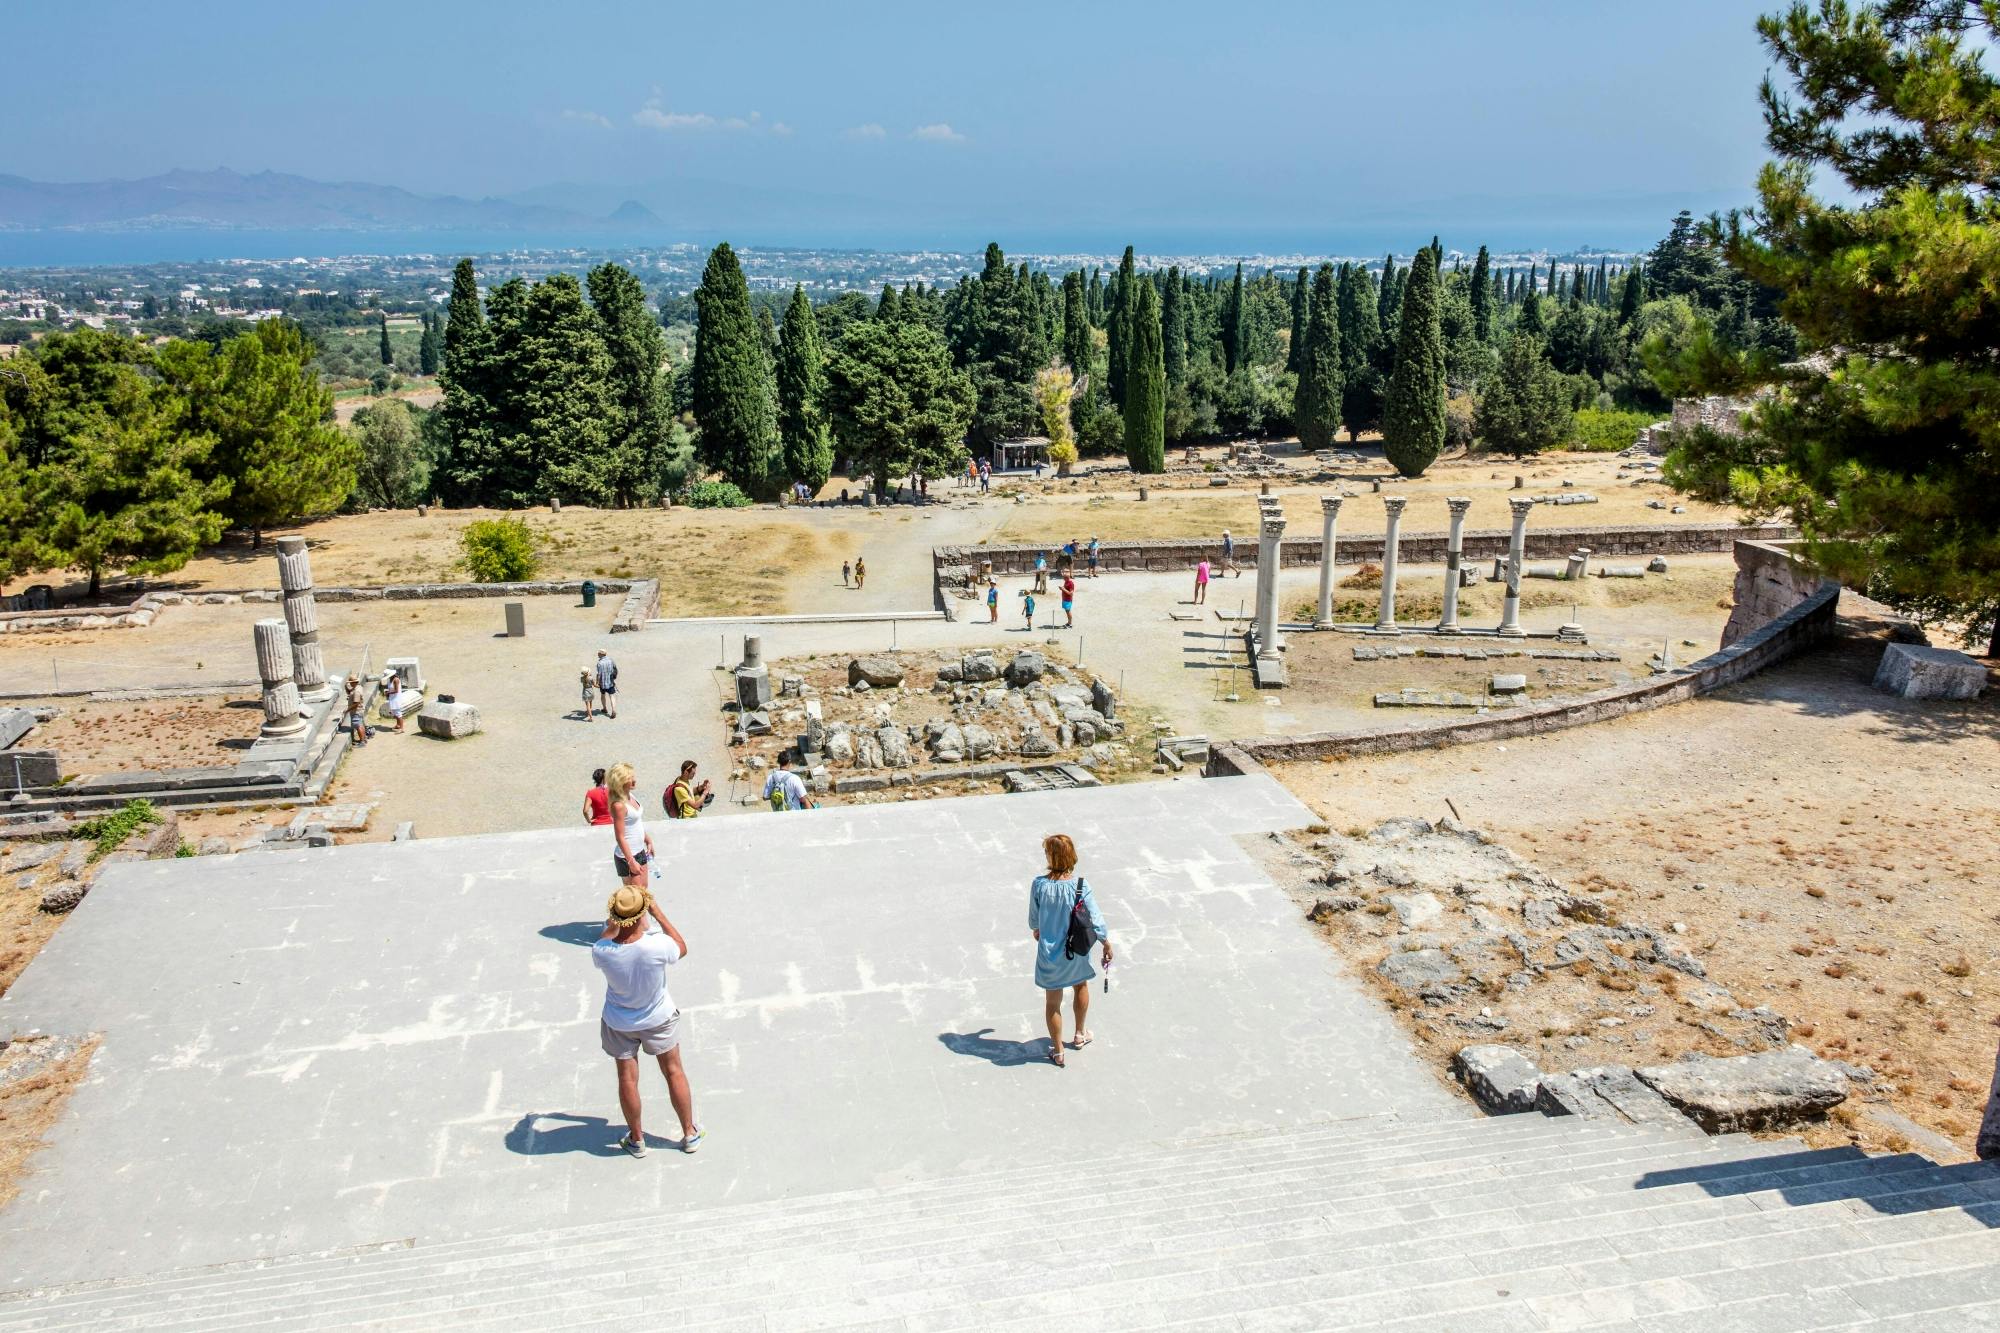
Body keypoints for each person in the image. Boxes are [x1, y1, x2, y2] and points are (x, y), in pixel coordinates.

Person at [593, 885, 700, 1157]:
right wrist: (659, 914)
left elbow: (607, 937)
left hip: (619, 1022)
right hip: (659, 1019)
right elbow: (681, 947)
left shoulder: (602, 951)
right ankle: (689, 1133)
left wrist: (614, 923)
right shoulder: (657, 946)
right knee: (674, 1071)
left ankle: (637, 1140)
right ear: (643, 914)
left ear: (616, 917)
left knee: (627, 1079)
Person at [1029, 834, 1111, 1067]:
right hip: (1076, 950)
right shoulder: (1081, 886)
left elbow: (1034, 919)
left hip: (1049, 953)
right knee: (1081, 985)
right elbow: (1095, 919)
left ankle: (1058, 1050)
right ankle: (1079, 1033)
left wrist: (1038, 930)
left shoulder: (1039, 885)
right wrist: (1105, 942)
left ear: (1051, 857)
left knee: (1053, 1002)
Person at [606, 762, 654, 888]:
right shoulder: (618, 805)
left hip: (639, 851)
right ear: (620, 781)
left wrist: (648, 840)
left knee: (643, 894)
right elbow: (620, 837)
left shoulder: (630, 795)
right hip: (627, 857)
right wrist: (631, 862)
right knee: (637, 900)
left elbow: (635, 824)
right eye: (629, 778)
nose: (634, 780)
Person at [344, 674, 369, 747]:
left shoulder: (356, 692)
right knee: (360, 725)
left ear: (353, 682)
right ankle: (364, 739)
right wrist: (346, 686)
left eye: (350, 682)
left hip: (356, 711)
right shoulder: (358, 687)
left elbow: (356, 703)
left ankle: (362, 742)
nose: (350, 684)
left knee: (358, 726)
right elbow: (349, 692)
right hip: (358, 710)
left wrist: (347, 710)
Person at [381, 667, 408, 733]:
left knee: (398, 713)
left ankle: (401, 728)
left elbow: (396, 690)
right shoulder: (390, 679)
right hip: (392, 698)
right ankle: (398, 725)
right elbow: (391, 689)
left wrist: (388, 693)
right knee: (394, 712)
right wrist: (388, 692)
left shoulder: (396, 680)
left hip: (396, 698)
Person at [595, 650, 619, 720]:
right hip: (610, 682)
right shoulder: (611, 660)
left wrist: (597, 683)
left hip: (602, 683)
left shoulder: (600, 663)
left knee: (603, 695)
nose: (597, 654)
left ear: (601, 654)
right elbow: (615, 668)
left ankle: (604, 708)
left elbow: (599, 674)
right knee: (612, 696)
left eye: (598, 653)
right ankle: (614, 710)